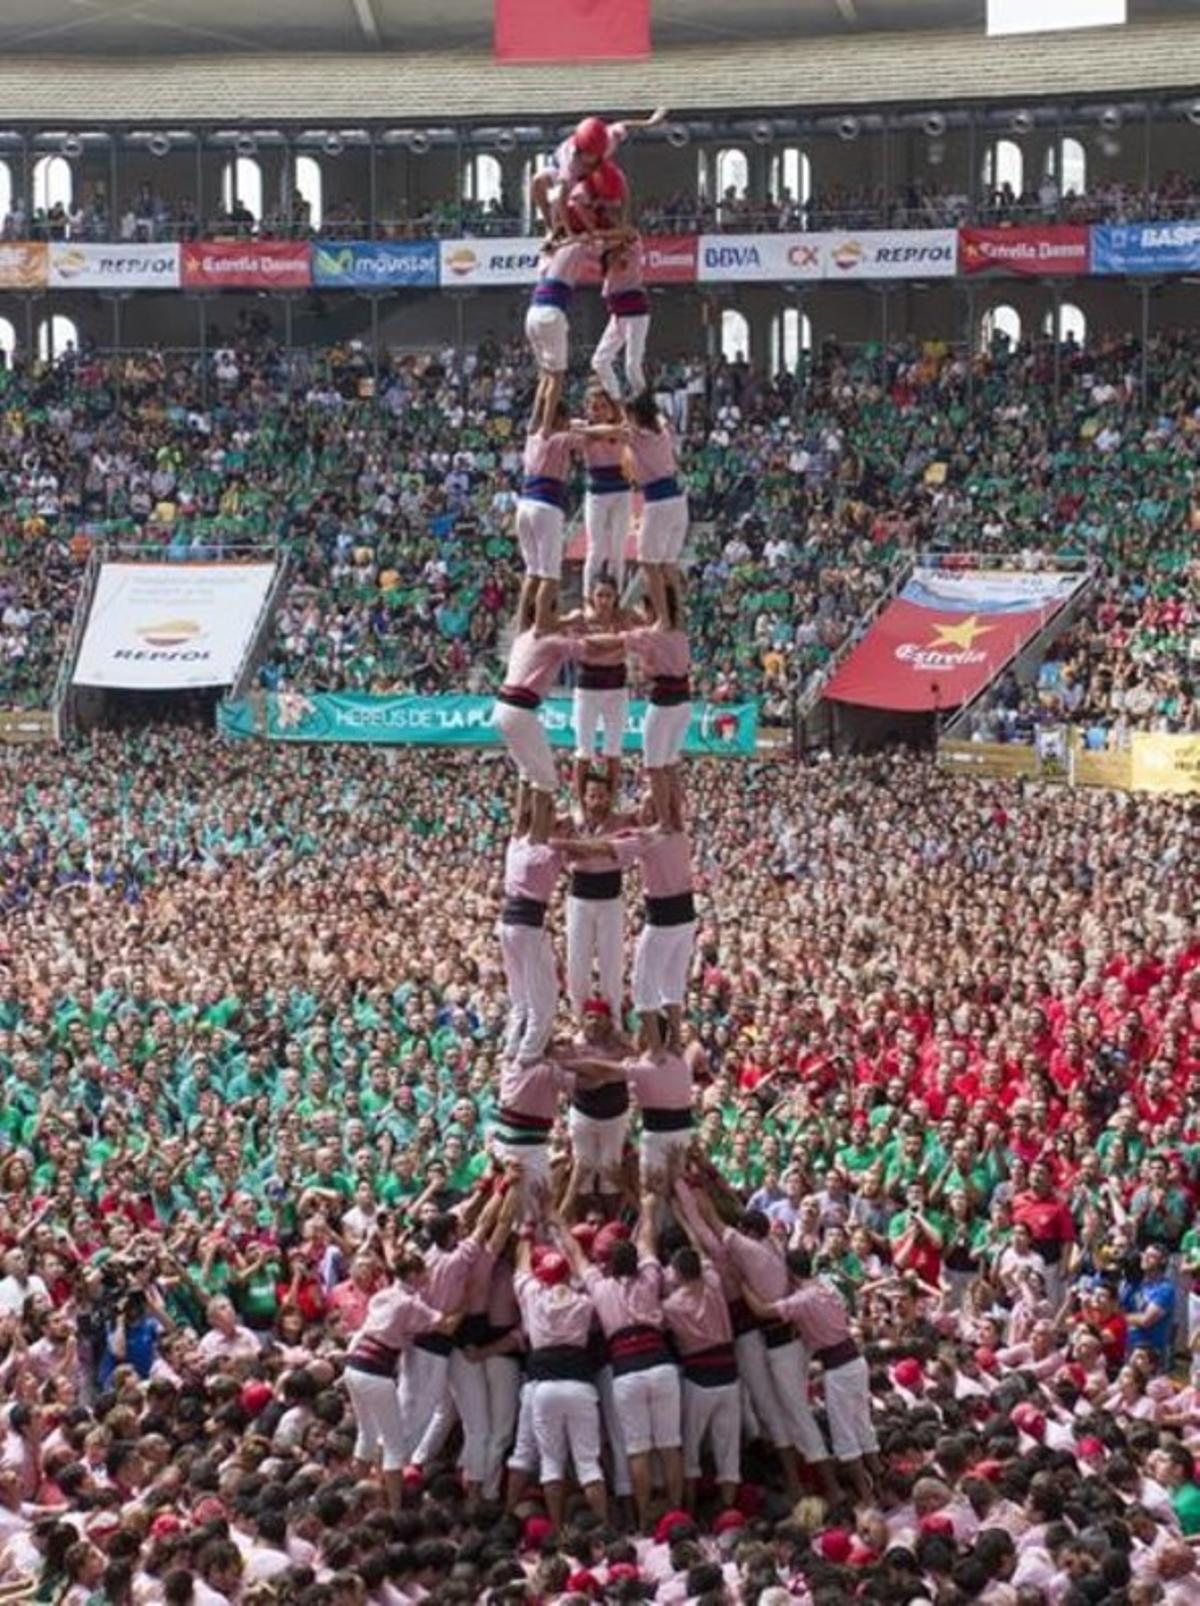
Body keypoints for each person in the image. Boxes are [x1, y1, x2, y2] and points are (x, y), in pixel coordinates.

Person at [564, 1185, 683, 1530]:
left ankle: (646, 1519)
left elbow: (574, 1253)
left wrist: (554, 1218)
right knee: (670, 1445)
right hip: (660, 1362)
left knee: (638, 1449)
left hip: (626, 1369)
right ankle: (675, 1513)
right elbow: (646, 1237)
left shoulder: (600, 1288)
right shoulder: (650, 1277)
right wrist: (647, 1201)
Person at [744, 1247, 879, 1501]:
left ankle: (866, 1495)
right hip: (855, 1359)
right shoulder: (825, 1285)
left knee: (845, 1437)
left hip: (838, 1366)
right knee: (862, 1425)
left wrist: (743, 1281)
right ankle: (879, 1482)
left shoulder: (802, 1299)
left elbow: (762, 1310)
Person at [343, 1252, 455, 1512]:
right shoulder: (410, 1303)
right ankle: (393, 1510)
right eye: (424, 1272)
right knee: (394, 1445)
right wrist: (464, 1302)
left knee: (367, 1433)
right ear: (414, 1275)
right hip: (375, 1371)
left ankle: (354, 1499)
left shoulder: (383, 1294)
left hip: (354, 1366)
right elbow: (445, 1326)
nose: (428, 1276)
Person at [513, 1226, 607, 1530]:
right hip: (580, 1384)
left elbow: (522, 1270)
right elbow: (582, 1264)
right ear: (567, 1275)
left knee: (551, 1463)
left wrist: (527, 1236)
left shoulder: (533, 1297)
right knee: (588, 1464)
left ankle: (556, 1529)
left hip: (545, 1387)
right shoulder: (583, 1302)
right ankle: (603, 1529)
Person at [661, 1245, 741, 1511]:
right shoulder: (715, 1288)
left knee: (691, 1448)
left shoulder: (670, 1306)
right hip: (729, 1374)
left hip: (698, 1378)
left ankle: (691, 1508)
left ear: (678, 1273)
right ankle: (728, 1509)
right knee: (729, 1450)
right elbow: (707, 1261)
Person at [499, 784, 563, 1066]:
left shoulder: (516, 844)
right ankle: (527, 1055)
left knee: (521, 997)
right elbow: (534, 816)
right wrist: (542, 784)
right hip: (528, 926)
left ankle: (512, 1048)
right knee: (544, 1001)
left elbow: (521, 815)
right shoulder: (545, 851)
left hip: (508, 925)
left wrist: (527, 781)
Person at [562, 768, 629, 1020]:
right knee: (577, 964)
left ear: (609, 797)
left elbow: (610, 850)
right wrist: (588, 849)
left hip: (610, 899)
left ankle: (614, 1020)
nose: (597, 801)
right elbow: (569, 854)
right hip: (579, 897)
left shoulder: (620, 822)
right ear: (585, 797)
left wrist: (585, 849)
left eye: (602, 796)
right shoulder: (573, 821)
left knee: (611, 964)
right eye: (592, 796)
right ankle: (579, 1018)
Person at [625, 582, 691, 829]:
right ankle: (676, 818)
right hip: (683, 703)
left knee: (654, 767)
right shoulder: (680, 633)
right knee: (670, 765)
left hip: (663, 703)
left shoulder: (650, 635)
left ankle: (664, 820)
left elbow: (623, 639)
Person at [626, 389, 689, 624]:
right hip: (677, 500)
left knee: (648, 563)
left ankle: (663, 617)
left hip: (658, 501)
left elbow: (613, 431)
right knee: (668, 564)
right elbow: (660, 416)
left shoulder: (636, 435)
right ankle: (678, 616)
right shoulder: (663, 430)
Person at [572, 568, 631, 797]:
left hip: (616, 687)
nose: (604, 601)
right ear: (592, 596)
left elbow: (623, 650)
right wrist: (612, 644)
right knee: (584, 750)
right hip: (587, 687)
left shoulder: (623, 618)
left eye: (609, 595)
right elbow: (581, 651)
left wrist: (598, 646)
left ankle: (612, 797)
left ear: (616, 597)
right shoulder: (581, 619)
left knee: (613, 749)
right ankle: (579, 799)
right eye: (600, 595)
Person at [579, 386, 633, 598]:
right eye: (594, 407)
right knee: (596, 549)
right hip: (597, 495)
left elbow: (621, 432)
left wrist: (613, 424)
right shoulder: (584, 430)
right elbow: (572, 428)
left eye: (603, 406)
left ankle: (616, 598)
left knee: (618, 550)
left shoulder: (620, 428)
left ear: (611, 409)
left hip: (621, 492)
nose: (599, 411)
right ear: (587, 410)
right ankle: (587, 598)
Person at [592, 231, 651, 400]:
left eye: (616, 256)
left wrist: (619, 239)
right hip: (617, 317)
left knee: (632, 366)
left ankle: (646, 404)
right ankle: (617, 401)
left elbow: (632, 234)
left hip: (636, 316)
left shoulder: (631, 254)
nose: (614, 260)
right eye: (610, 258)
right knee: (599, 360)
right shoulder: (608, 271)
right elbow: (594, 242)